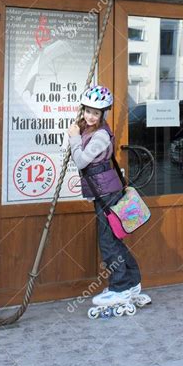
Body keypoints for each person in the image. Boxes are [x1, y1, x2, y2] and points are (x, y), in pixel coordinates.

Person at [67, 84, 143, 308]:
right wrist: (76, 134)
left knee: (108, 241)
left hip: (107, 193)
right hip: (103, 192)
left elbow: (81, 160)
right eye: (88, 111)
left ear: (103, 114)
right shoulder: (89, 130)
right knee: (113, 239)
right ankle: (132, 282)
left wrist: (73, 137)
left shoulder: (100, 135)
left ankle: (119, 288)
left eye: (96, 113)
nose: (90, 116)